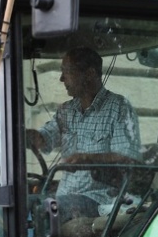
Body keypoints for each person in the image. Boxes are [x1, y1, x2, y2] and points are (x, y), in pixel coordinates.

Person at [26, 46, 141, 222]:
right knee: (10, 207)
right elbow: (45, 139)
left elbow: (127, 160)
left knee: (44, 212)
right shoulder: (66, 111)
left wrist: (88, 159)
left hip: (98, 198)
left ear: (89, 74)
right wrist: (26, 135)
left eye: (67, 72)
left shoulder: (119, 108)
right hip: (64, 196)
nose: (61, 78)